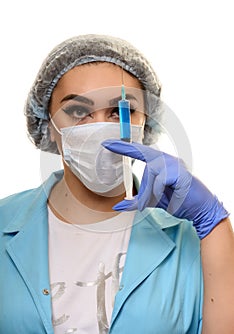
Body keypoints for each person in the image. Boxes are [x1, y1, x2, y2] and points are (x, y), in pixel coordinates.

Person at [0, 34, 233, 334]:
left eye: (119, 111)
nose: (100, 127)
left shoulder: (191, 240)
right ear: (48, 126)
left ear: (144, 123)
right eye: (78, 112)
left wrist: (215, 222)